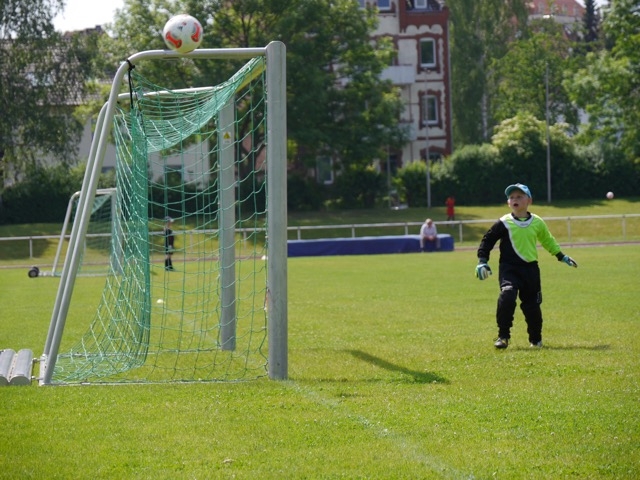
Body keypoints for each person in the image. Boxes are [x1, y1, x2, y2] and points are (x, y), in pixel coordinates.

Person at [475, 183, 578, 349]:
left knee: (532, 307)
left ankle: (536, 340)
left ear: (529, 200)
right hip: (509, 268)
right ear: (508, 202)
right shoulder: (504, 222)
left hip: (530, 270)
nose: (515, 199)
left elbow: (548, 240)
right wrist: (482, 261)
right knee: (507, 296)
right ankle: (503, 336)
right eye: (511, 197)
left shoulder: (537, 222)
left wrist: (561, 256)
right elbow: (488, 240)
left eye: (519, 196)